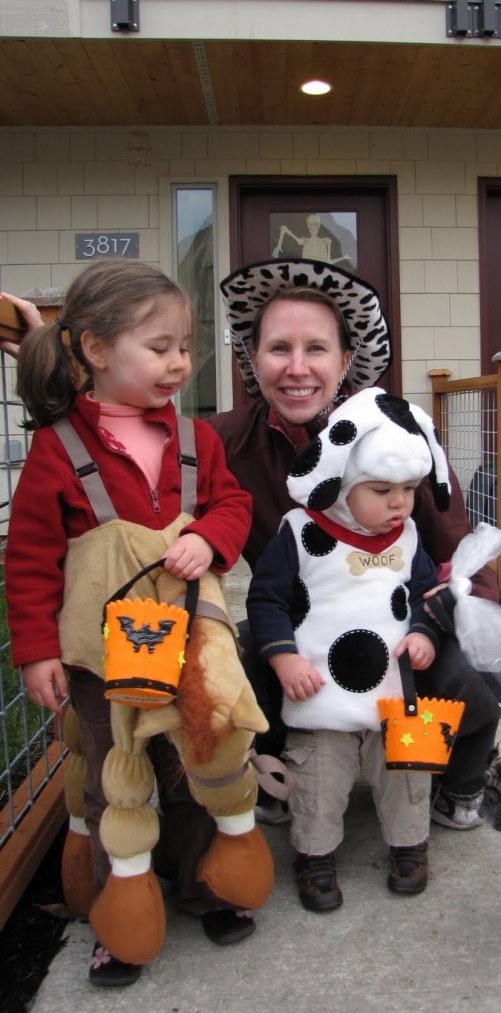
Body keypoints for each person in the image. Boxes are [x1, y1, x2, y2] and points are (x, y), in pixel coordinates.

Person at [3, 260, 270, 988]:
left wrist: (211, 536)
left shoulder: (198, 440)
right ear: (94, 350)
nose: (180, 362)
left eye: (185, 345)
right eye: (159, 347)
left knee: (195, 764)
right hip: (98, 658)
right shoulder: (57, 450)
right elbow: (29, 560)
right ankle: (120, 910)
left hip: (188, 643)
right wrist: (35, 653)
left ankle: (201, 884)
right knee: (114, 776)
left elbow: (234, 506)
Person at [210, 257, 501, 832]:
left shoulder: (401, 435)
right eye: (279, 348)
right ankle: (282, 770)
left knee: (481, 672)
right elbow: (140, 450)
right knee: (233, 653)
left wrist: (457, 618)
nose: (297, 368)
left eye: (317, 349)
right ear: (253, 361)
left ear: (347, 360)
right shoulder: (222, 443)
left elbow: (456, 544)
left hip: (398, 625)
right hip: (299, 628)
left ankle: (454, 775)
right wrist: (65, 377)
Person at [248, 385, 452, 910]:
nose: (399, 503)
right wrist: (283, 655)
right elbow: (267, 598)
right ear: (340, 483)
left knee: (407, 775)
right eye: (382, 489)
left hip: (392, 695)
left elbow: (422, 597)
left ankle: (410, 845)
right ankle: (314, 856)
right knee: (318, 779)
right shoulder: (300, 532)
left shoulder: (407, 539)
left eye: (409, 489)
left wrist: (424, 633)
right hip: (321, 694)